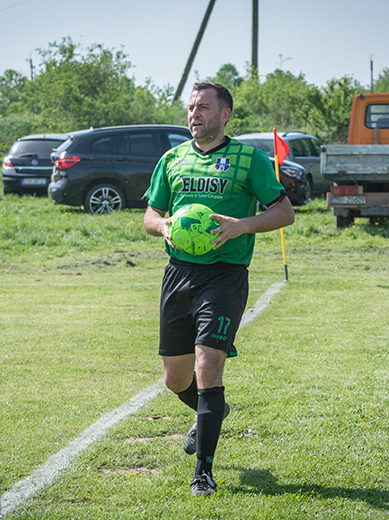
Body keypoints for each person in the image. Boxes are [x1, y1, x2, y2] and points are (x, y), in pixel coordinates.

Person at [143, 82, 295, 495]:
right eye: (191, 107)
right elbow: (151, 214)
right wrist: (164, 226)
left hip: (225, 275)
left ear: (225, 114)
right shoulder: (172, 159)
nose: (195, 114)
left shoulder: (249, 159)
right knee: (176, 380)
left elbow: (284, 212)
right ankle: (213, 410)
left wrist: (241, 226)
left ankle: (203, 473)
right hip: (178, 275)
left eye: (204, 107)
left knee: (207, 364)